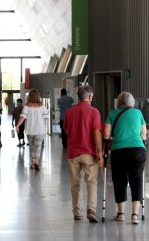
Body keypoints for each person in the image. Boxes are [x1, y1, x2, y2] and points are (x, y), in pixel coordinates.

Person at [103, 92, 147, 224]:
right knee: (137, 180)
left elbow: (106, 134)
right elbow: (144, 134)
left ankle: (121, 214)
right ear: (132, 102)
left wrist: (110, 138)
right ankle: (134, 215)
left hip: (119, 151)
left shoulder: (112, 114)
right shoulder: (138, 113)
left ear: (119, 102)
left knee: (119, 180)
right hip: (137, 150)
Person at [64, 85, 103, 222]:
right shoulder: (94, 112)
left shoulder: (69, 112)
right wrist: (100, 151)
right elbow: (96, 133)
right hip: (89, 152)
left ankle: (77, 212)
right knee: (91, 181)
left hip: (73, 152)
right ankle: (91, 209)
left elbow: (67, 131)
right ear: (90, 96)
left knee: (75, 184)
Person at [15, 90, 48, 170]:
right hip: (40, 130)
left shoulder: (26, 106)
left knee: (32, 147)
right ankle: (36, 162)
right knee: (38, 146)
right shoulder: (42, 106)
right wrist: (44, 126)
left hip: (30, 130)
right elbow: (46, 118)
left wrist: (17, 125)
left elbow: (22, 117)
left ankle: (33, 163)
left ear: (29, 96)